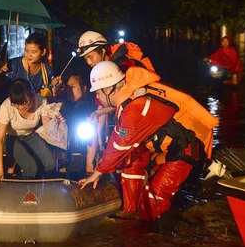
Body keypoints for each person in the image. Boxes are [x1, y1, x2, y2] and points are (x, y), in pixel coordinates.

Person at [79, 61, 219, 222]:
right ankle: (132, 211)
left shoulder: (135, 108)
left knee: (157, 194)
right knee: (131, 163)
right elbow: (118, 137)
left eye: (98, 94)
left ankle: (158, 234)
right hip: (168, 147)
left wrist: (97, 172)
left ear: (109, 89)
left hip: (185, 148)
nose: (97, 98)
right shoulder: (130, 96)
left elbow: (119, 145)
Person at [0, 78, 58, 184]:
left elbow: (47, 124)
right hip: (10, 137)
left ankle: (45, 190)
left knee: (50, 164)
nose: (21, 107)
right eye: (17, 104)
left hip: (30, 134)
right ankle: (24, 194)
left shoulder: (41, 101)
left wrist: (55, 121)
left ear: (32, 96)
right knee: (30, 166)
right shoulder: (6, 107)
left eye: (25, 103)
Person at [61, 74, 99, 174]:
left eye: (73, 87)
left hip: (85, 146)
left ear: (84, 88)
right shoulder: (65, 105)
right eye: (67, 87)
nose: (69, 90)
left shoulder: (91, 106)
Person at [0, 32, 54, 97]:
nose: (29, 55)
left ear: (43, 52)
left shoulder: (47, 69)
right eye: (26, 51)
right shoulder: (12, 66)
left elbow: (51, 92)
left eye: (33, 52)